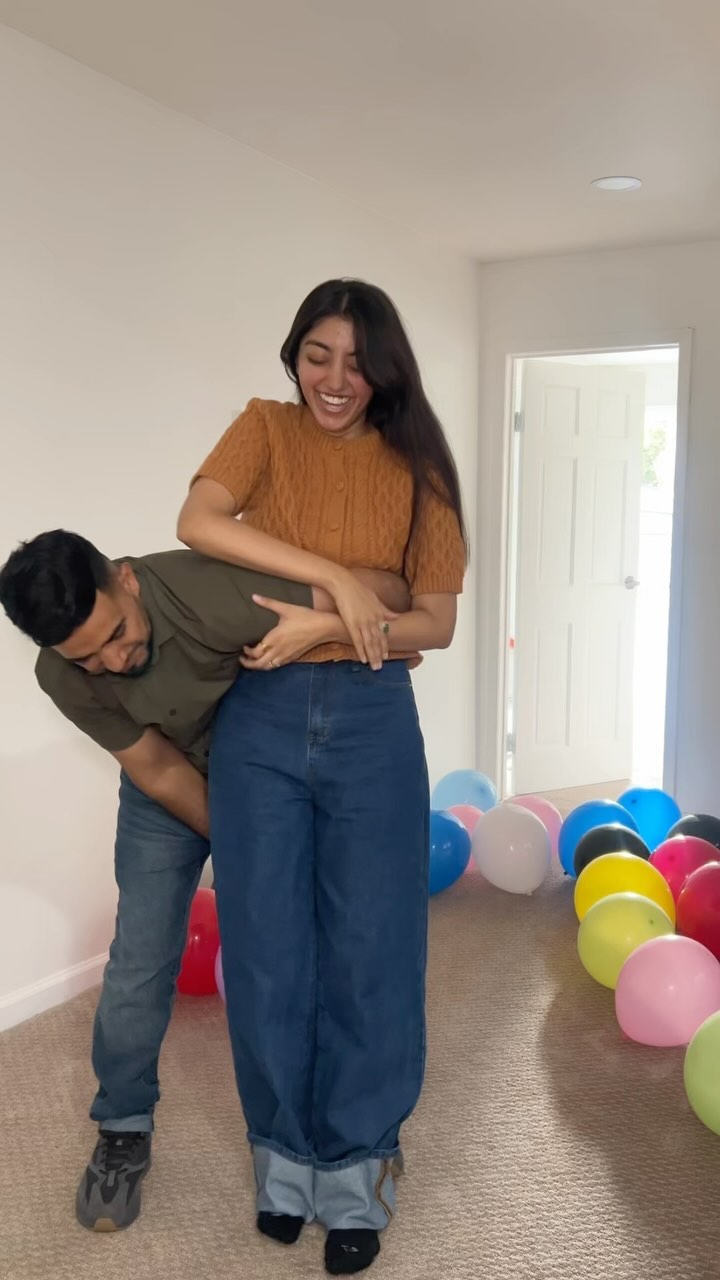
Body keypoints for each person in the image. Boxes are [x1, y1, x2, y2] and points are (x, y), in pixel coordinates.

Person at [177, 278, 467, 1275]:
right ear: (294, 354)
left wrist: (319, 625)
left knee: (371, 948)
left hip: (372, 718)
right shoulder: (263, 428)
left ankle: (355, 1169)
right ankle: (284, 1163)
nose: (335, 380)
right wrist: (343, 583)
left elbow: (435, 620)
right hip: (257, 716)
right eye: (317, 355)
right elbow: (199, 520)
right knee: (266, 949)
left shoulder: (421, 465)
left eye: (356, 361)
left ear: (386, 368)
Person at [0, 530, 407, 1233]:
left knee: (320, 946)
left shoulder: (210, 591)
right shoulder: (60, 675)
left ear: (126, 578)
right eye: (87, 657)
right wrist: (244, 851)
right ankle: (123, 1125)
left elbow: (390, 591)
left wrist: (341, 606)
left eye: (116, 635)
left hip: (272, 774)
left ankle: (341, 1135)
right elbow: (157, 769)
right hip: (165, 792)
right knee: (138, 961)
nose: (112, 662)